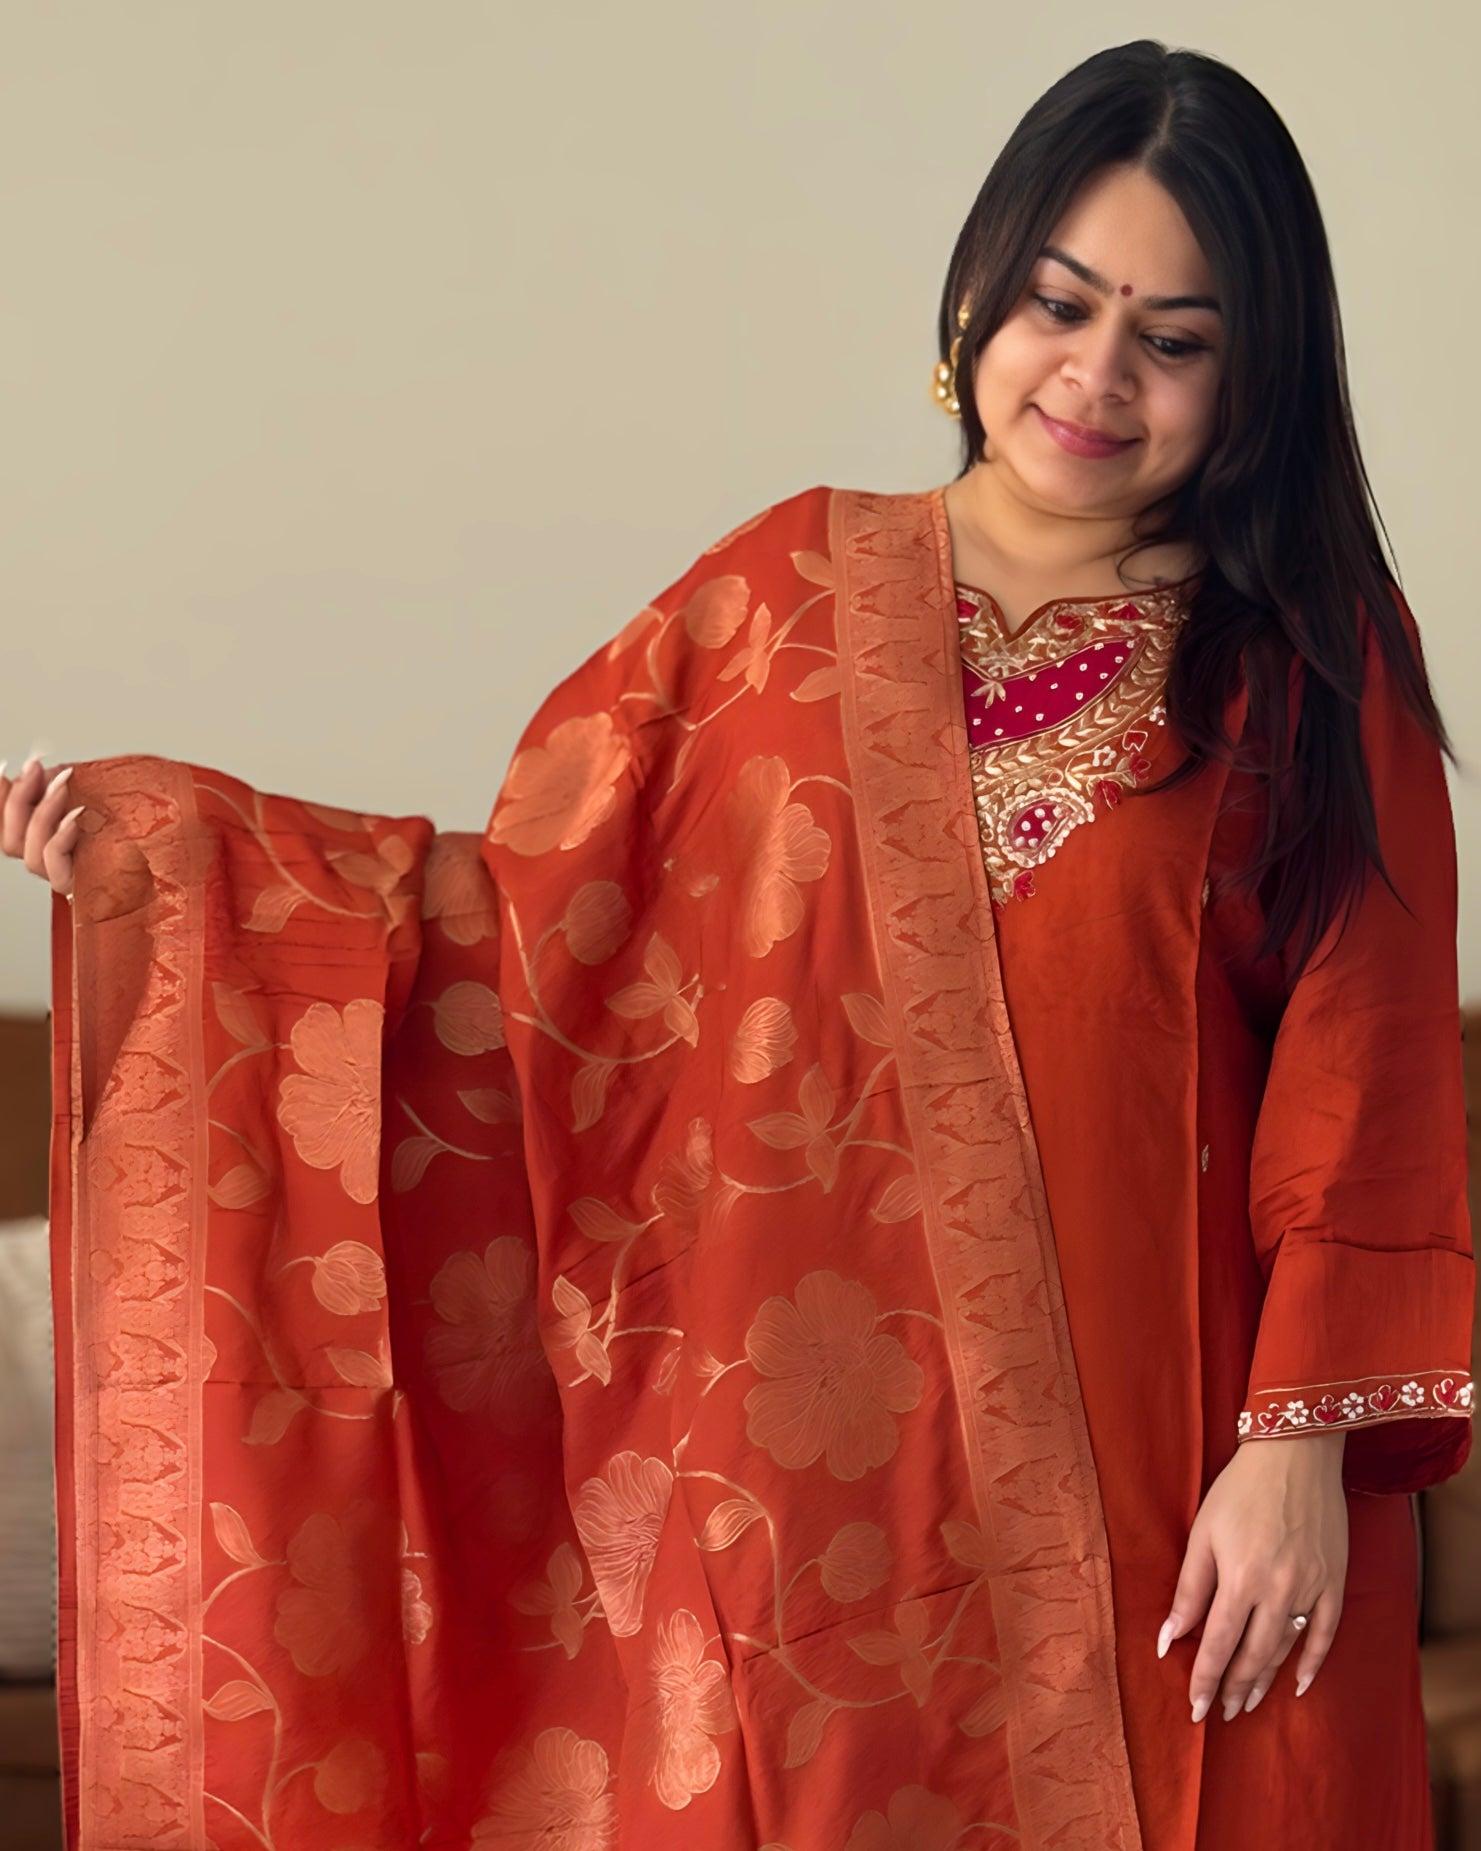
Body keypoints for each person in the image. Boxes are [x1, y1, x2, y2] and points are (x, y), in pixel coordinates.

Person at [3, 35, 1474, 1851]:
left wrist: (1297, 1446)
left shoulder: (1307, 651)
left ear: (1255, 377)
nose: (1093, 376)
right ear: (977, 289)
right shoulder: (777, 601)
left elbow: (1361, 1056)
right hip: (813, 1503)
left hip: (1183, 1480)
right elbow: (514, 939)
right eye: (1058, 304)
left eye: (1171, 341)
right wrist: (168, 864)